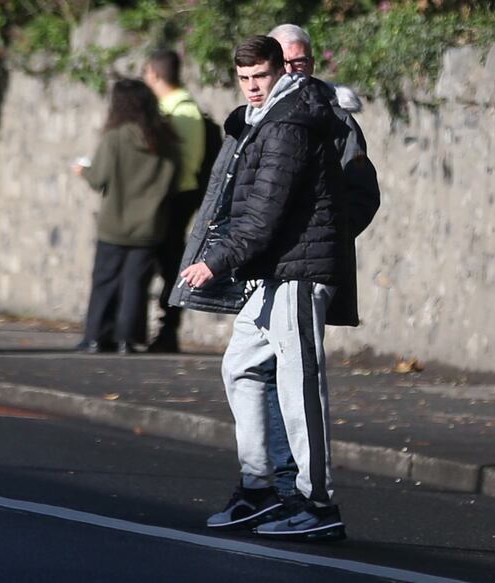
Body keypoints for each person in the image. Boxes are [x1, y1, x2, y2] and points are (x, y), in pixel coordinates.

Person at [180, 35, 349, 541]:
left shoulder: (289, 124)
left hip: (299, 272)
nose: (252, 88)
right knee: (241, 365)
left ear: (282, 72)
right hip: (274, 272)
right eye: (244, 79)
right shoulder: (265, 121)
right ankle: (259, 489)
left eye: (261, 77)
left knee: (301, 387)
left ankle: (318, 504)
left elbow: (263, 213)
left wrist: (214, 261)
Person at [264, 23, 381, 499]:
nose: (294, 71)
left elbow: (362, 193)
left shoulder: (335, 121)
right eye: (285, 63)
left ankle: (298, 488)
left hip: (303, 269)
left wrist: (319, 240)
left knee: (295, 376)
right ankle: (270, 480)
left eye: (301, 62)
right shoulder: (259, 117)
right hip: (263, 271)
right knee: (254, 370)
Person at [73, 79, 180, 355]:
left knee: (105, 280)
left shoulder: (115, 137)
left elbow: (98, 178)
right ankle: (127, 340)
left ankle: (96, 338)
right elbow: (172, 181)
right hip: (150, 225)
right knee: (136, 284)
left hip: (114, 224)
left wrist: (82, 170)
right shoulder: (165, 139)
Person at [142, 49, 206, 353]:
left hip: (171, 196)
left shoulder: (173, 111)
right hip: (187, 193)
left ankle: (166, 331)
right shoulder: (191, 108)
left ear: (153, 74)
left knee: (166, 265)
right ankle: (166, 329)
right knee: (170, 263)